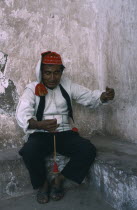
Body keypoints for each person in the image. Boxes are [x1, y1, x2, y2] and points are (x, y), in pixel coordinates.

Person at [16, 51, 115, 204]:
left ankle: (59, 180)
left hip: (64, 133)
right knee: (29, 151)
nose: (52, 77)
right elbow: (22, 113)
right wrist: (37, 124)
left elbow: (87, 96)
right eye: (48, 73)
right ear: (41, 72)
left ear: (61, 72)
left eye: (57, 73)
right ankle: (42, 184)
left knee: (87, 149)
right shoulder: (32, 88)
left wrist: (103, 97)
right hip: (41, 133)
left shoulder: (67, 85)